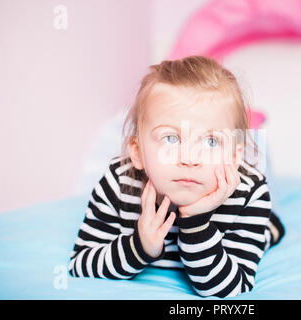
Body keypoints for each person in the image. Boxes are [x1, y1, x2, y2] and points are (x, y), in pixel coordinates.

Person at [68, 55, 285, 298]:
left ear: (234, 157)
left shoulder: (249, 193)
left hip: (242, 224)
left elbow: (229, 288)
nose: (190, 158)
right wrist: (138, 247)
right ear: (138, 152)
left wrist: (195, 222)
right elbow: (81, 263)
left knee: (266, 233)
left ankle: (270, 226)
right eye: (171, 138)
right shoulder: (119, 184)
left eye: (211, 141)